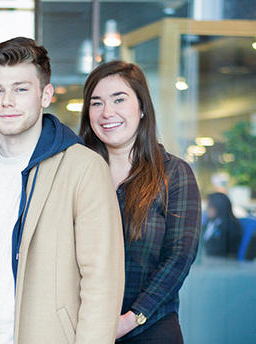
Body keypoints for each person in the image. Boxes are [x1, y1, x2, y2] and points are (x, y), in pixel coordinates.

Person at [0, 37, 125, 344]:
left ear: (45, 95)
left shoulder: (84, 168)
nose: (7, 101)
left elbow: (102, 283)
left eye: (21, 89)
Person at [79, 61, 202, 343]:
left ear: (142, 107)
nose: (107, 112)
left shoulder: (173, 173)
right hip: (84, 328)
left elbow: (179, 257)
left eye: (119, 99)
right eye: (96, 103)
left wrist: (130, 319)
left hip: (151, 329)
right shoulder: (77, 173)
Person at [202, 192, 243, 258]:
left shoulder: (231, 226)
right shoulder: (209, 223)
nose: (207, 209)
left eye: (209, 206)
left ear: (219, 207)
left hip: (223, 264)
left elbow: (227, 252)